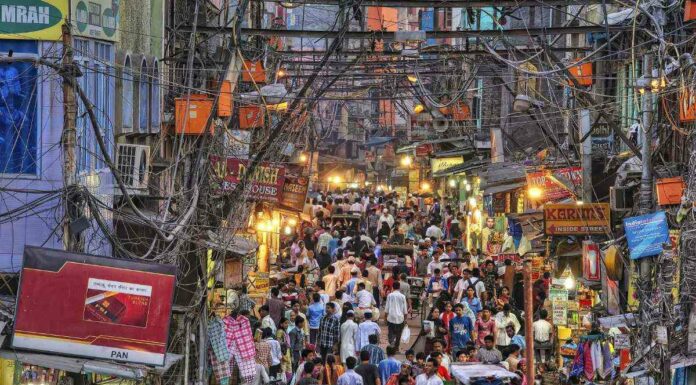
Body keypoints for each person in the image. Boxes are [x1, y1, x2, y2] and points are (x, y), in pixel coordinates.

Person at [384, 281, 408, 351]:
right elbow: (405, 309)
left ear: (392, 287)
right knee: (399, 333)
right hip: (400, 318)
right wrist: (405, 319)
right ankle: (396, 347)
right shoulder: (403, 296)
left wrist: (385, 318)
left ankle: (392, 342)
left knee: (390, 332)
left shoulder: (390, 295)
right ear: (399, 287)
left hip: (391, 317)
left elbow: (387, 308)